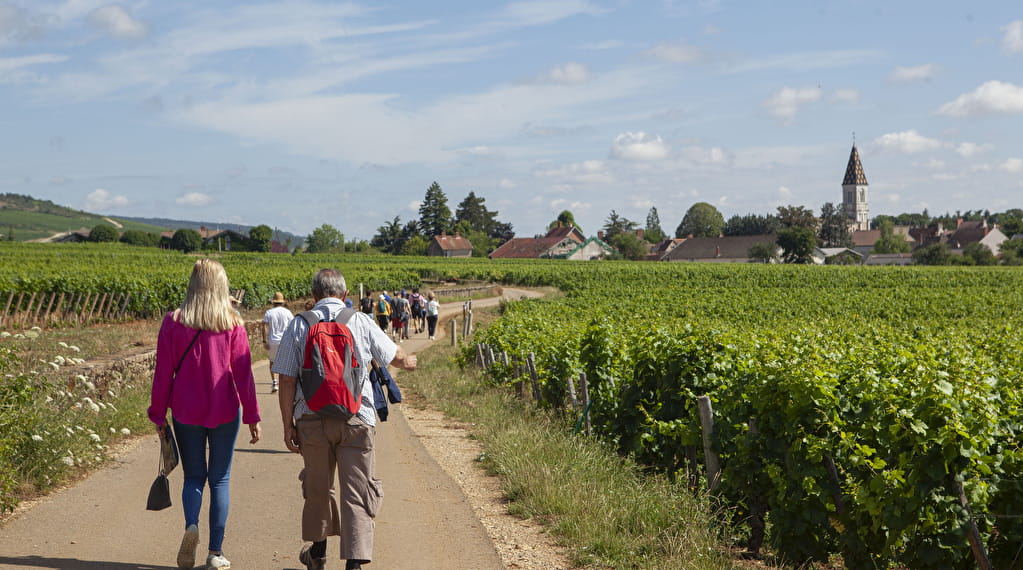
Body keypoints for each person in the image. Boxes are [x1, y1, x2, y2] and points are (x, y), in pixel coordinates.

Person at [273, 268, 417, 570]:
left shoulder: (299, 325)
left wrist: (288, 425)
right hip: (357, 417)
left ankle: (318, 552)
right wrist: (409, 361)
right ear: (345, 294)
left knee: (318, 487)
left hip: (311, 419)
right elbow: (396, 357)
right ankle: (354, 563)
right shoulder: (360, 321)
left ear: (314, 296)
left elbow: (286, 378)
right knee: (357, 489)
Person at [148, 258, 262, 570]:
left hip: (185, 410)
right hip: (225, 409)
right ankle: (215, 553)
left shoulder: (173, 322)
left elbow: (163, 374)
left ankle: (191, 525)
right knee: (221, 479)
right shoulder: (232, 323)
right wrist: (252, 416)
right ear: (222, 286)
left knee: (194, 476)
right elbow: (243, 375)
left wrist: (158, 414)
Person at [262, 291, 294, 393]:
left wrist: (264, 340)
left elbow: (265, 327)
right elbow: (292, 326)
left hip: (273, 340)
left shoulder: (269, 313)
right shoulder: (288, 312)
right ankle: (283, 382)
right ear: (282, 302)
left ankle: (275, 382)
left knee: (272, 361)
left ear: (274, 302)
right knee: (284, 362)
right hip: (284, 340)